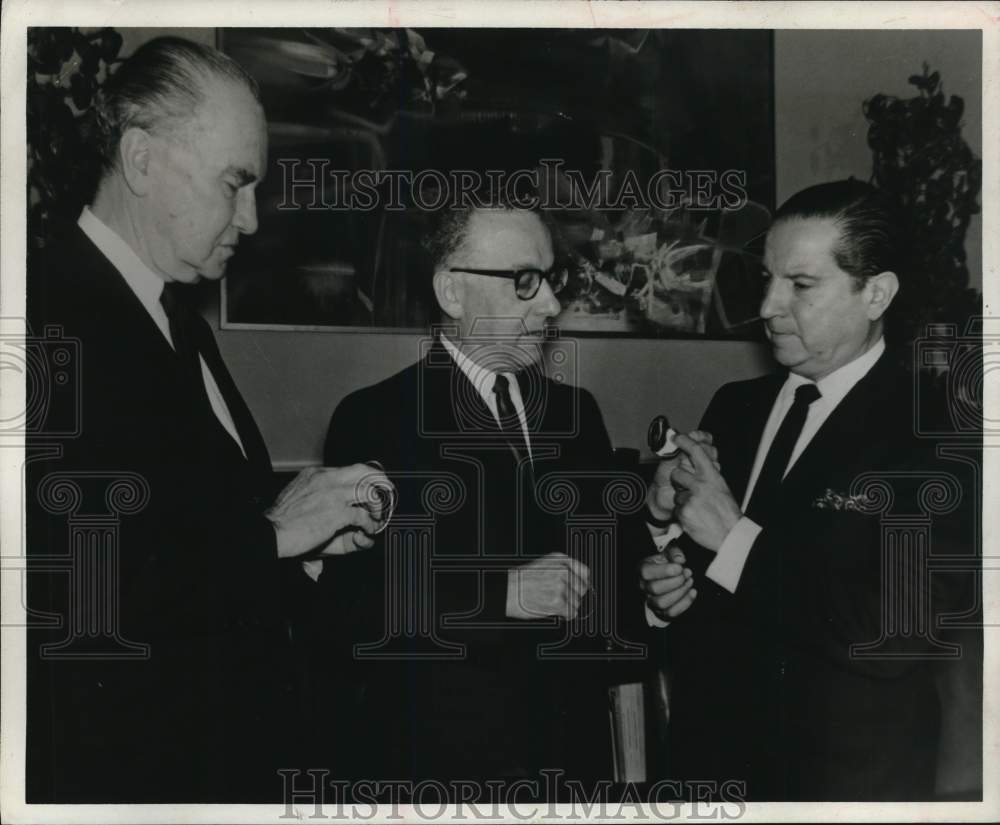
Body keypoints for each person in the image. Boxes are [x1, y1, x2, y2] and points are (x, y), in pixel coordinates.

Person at [25, 37, 390, 803]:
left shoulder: (176, 320)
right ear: (141, 158)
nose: (252, 219)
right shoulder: (43, 317)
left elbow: (191, 538)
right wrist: (274, 536)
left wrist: (304, 542)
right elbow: (80, 585)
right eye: (236, 183)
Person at [638, 180, 977, 800]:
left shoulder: (938, 435)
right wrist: (664, 542)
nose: (767, 306)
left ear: (876, 294)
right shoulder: (735, 407)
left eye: (800, 284)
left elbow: (894, 634)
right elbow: (703, 585)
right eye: (767, 279)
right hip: (708, 769)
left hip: (839, 785)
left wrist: (735, 538)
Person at [310, 202, 657, 793]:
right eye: (524, 280)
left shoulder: (579, 414)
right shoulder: (376, 418)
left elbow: (619, 576)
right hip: (442, 770)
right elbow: (356, 604)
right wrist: (504, 593)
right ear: (452, 291)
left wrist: (656, 590)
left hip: (571, 767)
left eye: (552, 279)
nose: (550, 304)